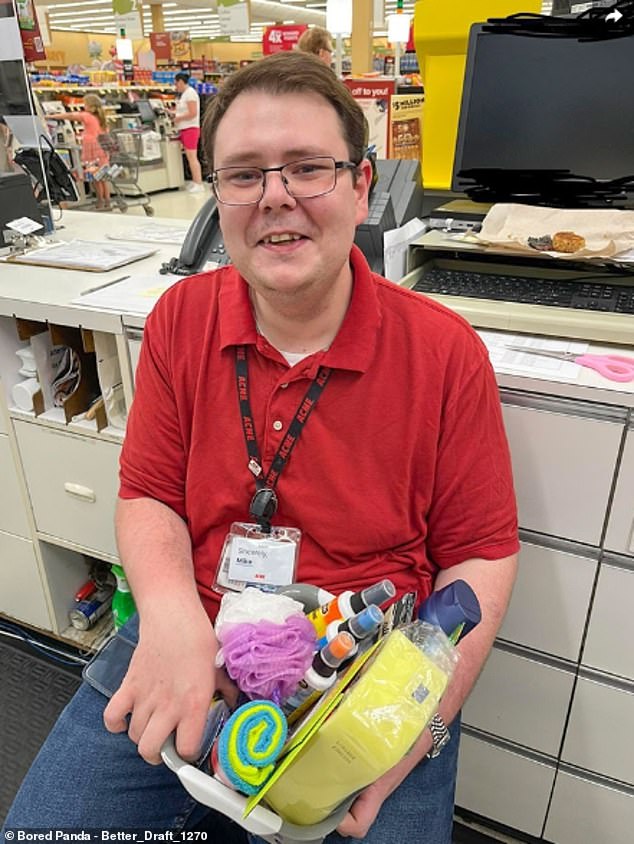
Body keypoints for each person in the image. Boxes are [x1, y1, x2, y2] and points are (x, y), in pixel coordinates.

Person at [3, 52, 519, 843]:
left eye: (308, 167)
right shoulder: (181, 318)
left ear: (361, 183)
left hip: (366, 668)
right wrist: (172, 618)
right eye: (243, 174)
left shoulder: (445, 355)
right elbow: (147, 493)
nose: (274, 196)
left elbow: (481, 556)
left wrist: (426, 720)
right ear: (216, 195)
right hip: (195, 626)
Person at [47, 93, 111, 210]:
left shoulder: (87, 116)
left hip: (92, 151)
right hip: (102, 150)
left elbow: (70, 115)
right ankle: (107, 201)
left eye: (85, 104)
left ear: (90, 106)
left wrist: (53, 116)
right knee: (103, 177)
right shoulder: (101, 118)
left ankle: (100, 202)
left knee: (95, 177)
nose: (83, 106)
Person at [173, 71, 204, 193]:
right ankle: (195, 181)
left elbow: (193, 113)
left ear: (180, 81)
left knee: (192, 157)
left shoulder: (190, 94)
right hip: (185, 128)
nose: (176, 86)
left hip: (190, 129)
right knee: (190, 156)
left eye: (176, 83)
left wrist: (178, 118)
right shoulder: (185, 94)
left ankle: (198, 183)